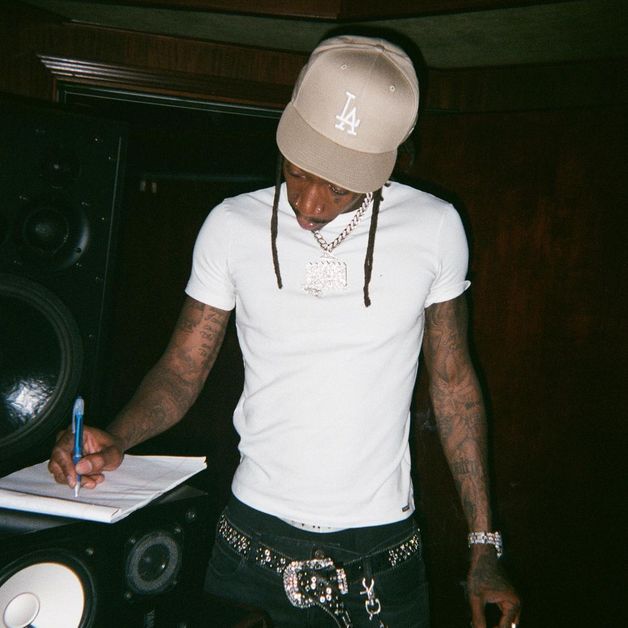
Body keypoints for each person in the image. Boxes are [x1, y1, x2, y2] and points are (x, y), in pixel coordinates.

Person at [49, 35, 521, 627]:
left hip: (383, 556)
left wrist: (483, 544)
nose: (310, 205)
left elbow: (453, 386)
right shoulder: (230, 226)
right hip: (249, 549)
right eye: (297, 173)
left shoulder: (435, 228)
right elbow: (182, 369)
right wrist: (117, 436)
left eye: (339, 187)